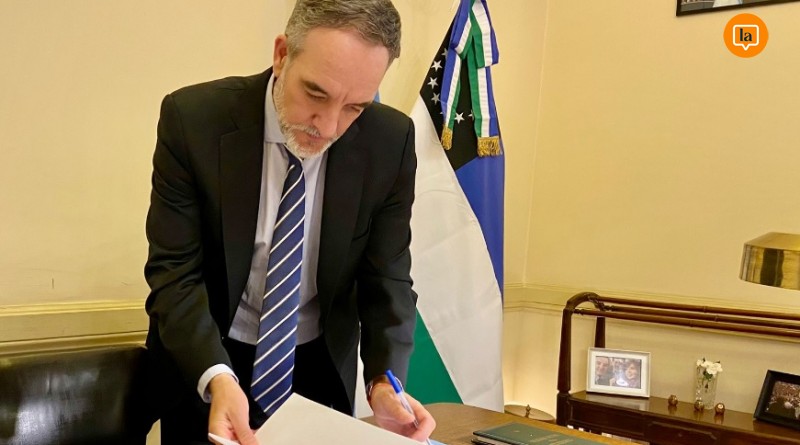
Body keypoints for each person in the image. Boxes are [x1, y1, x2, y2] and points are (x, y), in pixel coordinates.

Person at [142, 1, 435, 443]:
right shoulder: (194, 121)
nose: (329, 126)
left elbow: (387, 278)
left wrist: (383, 382)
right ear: (282, 55)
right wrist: (217, 377)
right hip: (207, 362)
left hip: (316, 370)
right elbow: (175, 274)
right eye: (316, 94)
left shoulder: (389, 142)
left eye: (354, 107)